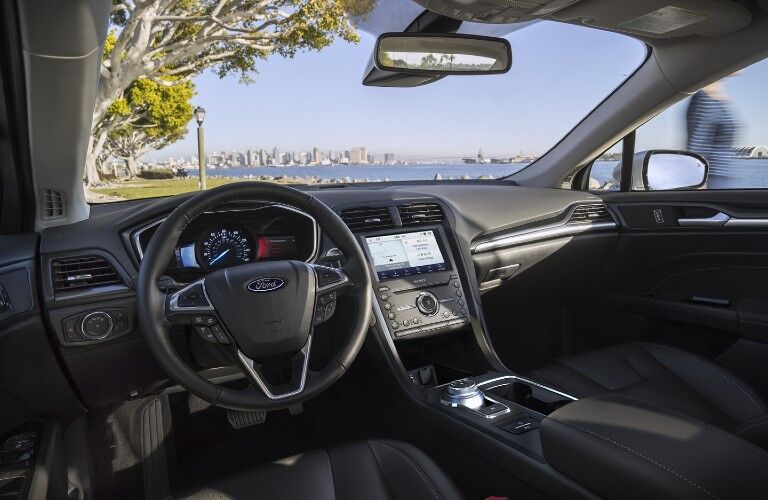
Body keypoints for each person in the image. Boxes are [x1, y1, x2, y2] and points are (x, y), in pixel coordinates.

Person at [686, 81, 741, 188]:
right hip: (714, 179)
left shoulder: (715, 97)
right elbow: (696, 146)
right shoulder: (703, 98)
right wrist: (699, 185)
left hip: (723, 179)